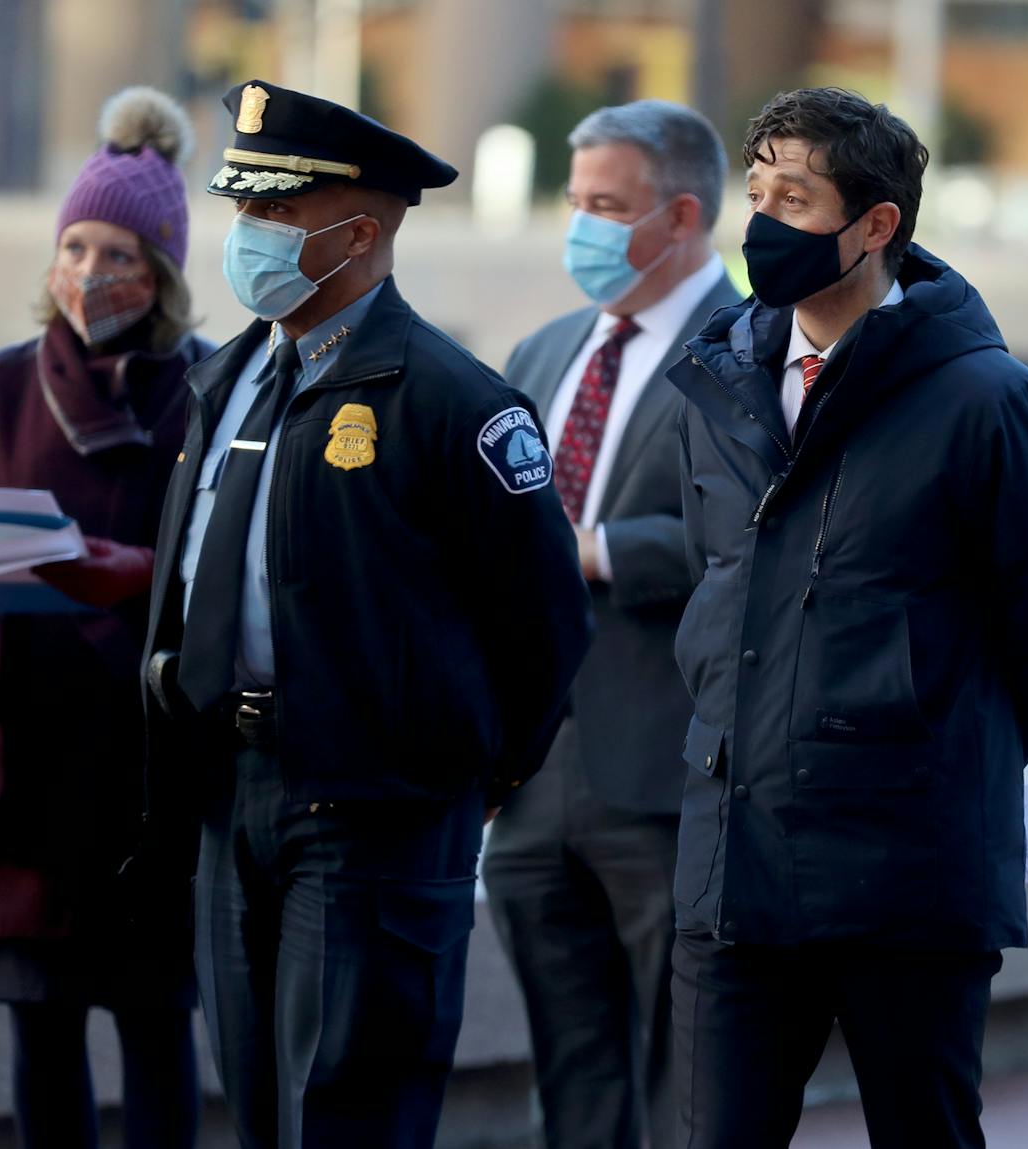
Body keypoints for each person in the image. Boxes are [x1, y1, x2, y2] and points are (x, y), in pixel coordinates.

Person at [140, 80, 592, 1149]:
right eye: (244, 210)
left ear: (358, 230)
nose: (247, 235)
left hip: (372, 808)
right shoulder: (230, 376)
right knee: (254, 1104)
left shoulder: (451, 400)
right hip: (230, 792)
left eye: (276, 215)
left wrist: (473, 769)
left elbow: (543, 622)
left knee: (350, 1108)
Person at [665, 87, 1028, 1148]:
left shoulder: (988, 400)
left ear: (875, 227)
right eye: (757, 193)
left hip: (905, 873)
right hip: (734, 866)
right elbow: (715, 584)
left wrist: (923, 740)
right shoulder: (719, 383)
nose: (764, 222)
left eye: (797, 199)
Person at [0, 87, 210, 1149]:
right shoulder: (2, 381)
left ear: (159, 271)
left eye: (119, 252)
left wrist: (140, 575)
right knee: (42, 1041)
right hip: (24, 751)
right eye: (74, 244)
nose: (89, 272)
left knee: (159, 1034)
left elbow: (229, 569)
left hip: (149, 760)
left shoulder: (206, 392)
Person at [481, 100, 739, 1149]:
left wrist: (598, 548)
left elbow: (765, 540)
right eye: (573, 200)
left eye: (605, 205)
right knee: (571, 1074)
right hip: (534, 776)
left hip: (668, 777)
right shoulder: (543, 352)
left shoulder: (755, 356)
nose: (580, 227)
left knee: (689, 1084)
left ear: (680, 216)